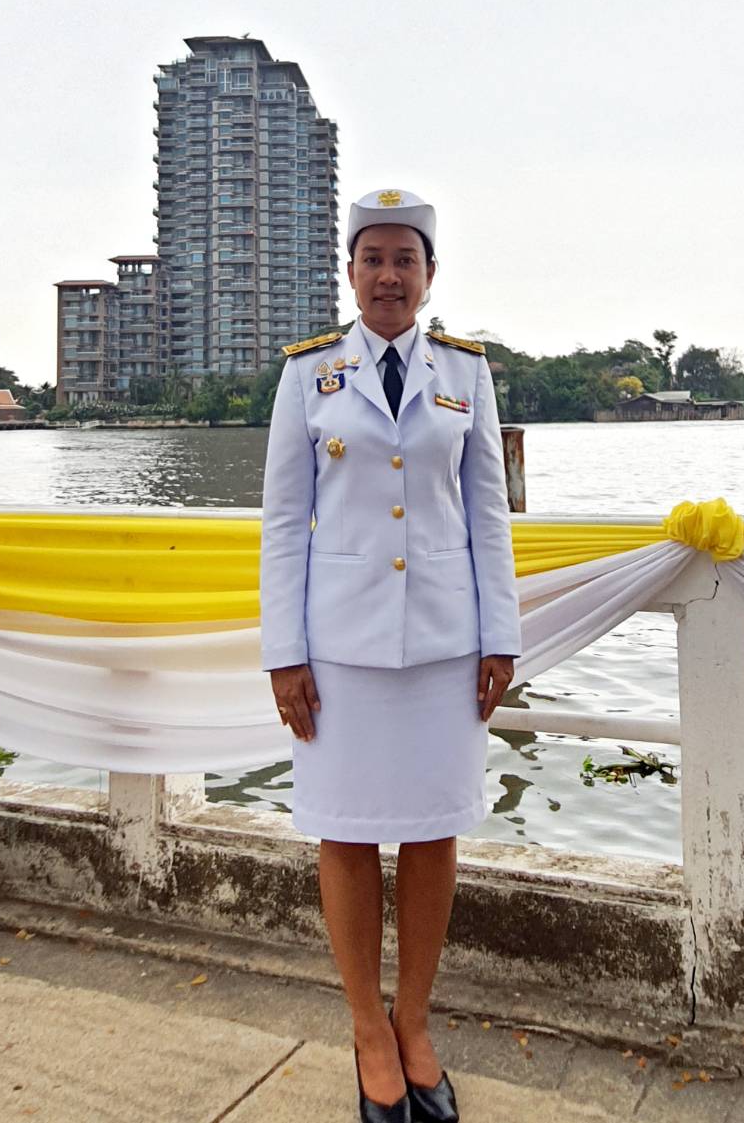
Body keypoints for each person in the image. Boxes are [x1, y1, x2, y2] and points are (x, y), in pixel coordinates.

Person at [260, 188, 521, 1123]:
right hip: (341, 648)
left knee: (432, 830)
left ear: (430, 273)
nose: (388, 275)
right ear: (350, 271)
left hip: (447, 642)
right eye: (372, 258)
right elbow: (284, 521)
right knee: (344, 831)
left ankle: (414, 1021)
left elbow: (487, 513)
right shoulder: (309, 374)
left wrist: (501, 637)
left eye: (404, 258)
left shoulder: (466, 372)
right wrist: (284, 653)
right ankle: (368, 1029)